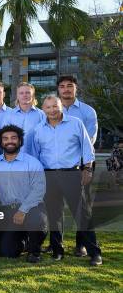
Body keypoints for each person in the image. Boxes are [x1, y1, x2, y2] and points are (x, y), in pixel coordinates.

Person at [32, 95, 102, 266]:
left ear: (60, 106)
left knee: (82, 213)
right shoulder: (38, 129)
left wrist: (87, 168)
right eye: (48, 107)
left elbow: (87, 146)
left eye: (55, 106)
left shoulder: (75, 123)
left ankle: (94, 252)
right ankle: (57, 250)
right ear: (43, 109)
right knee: (54, 215)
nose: (52, 110)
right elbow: (36, 154)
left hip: (71, 173)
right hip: (48, 175)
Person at [0, 125, 48, 263]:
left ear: (20, 141)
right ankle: (25, 240)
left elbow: (38, 190)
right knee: (7, 252)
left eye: (14, 138)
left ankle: (34, 251)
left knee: (36, 220)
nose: (10, 141)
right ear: (0, 142)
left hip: (31, 208)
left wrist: (22, 210)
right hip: (8, 210)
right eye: (5, 138)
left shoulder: (32, 163)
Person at [58, 74, 98, 257]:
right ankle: (56, 244)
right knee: (55, 207)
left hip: (82, 165)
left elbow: (88, 140)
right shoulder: (51, 110)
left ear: (76, 89)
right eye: (62, 86)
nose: (66, 89)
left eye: (70, 86)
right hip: (57, 166)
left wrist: (85, 167)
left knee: (82, 208)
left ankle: (81, 244)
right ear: (58, 90)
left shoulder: (87, 111)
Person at [0, 82, 45, 155]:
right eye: (21, 93)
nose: (24, 95)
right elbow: (4, 138)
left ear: (33, 95)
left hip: (37, 158)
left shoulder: (42, 115)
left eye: (28, 92)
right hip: (15, 159)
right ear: (17, 96)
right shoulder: (8, 115)